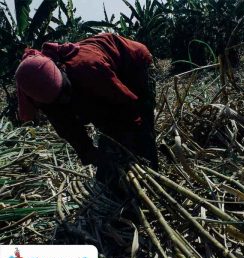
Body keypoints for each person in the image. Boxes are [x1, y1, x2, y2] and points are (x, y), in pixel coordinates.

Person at [15, 33, 158, 185]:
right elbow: (69, 130)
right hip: (97, 80)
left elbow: (128, 105)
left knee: (142, 126)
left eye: (65, 91)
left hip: (133, 63)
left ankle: (153, 177)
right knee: (109, 129)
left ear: (61, 69)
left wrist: (135, 137)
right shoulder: (46, 101)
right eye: (58, 100)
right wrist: (93, 155)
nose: (64, 99)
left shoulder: (88, 67)